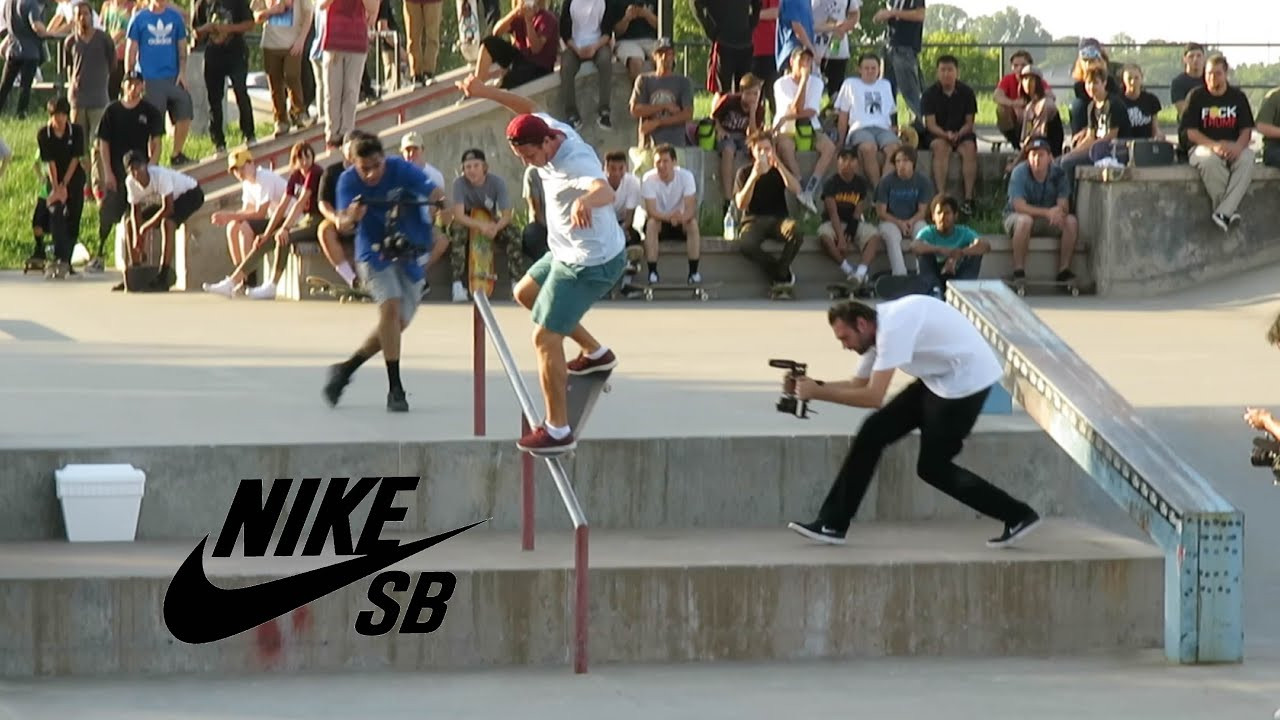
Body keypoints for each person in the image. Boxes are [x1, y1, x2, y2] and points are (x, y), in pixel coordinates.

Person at [456, 74, 626, 454]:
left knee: (545, 337)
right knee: (526, 293)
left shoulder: (576, 161)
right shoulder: (546, 126)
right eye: (523, 159)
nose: (530, 163)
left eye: (532, 157)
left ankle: (558, 430)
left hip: (590, 263)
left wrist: (585, 201)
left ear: (548, 143)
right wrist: (482, 91)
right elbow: (525, 107)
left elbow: (605, 190)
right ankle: (597, 354)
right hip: (565, 252)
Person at [787, 297, 1042, 548]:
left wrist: (817, 393)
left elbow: (873, 397)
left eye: (845, 338)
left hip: (966, 385)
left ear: (861, 324)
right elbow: (858, 384)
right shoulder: (875, 333)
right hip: (938, 380)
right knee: (872, 432)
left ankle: (1017, 515)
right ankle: (832, 524)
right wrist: (810, 386)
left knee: (933, 468)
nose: (844, 346)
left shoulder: (893, 330)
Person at [324, 135, 447, 412]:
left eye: (376, 166)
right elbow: (342, 223)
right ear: (353, 164)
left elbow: (433, 192)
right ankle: (395, 388)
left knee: (395, 326)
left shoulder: (400, 169)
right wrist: (352, 216)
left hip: (409, 251)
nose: (371, 174)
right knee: (389, 308)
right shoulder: (347, 181)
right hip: (374, 254)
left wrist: (443, 204)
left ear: (384, 158)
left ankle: (347, 368)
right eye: (364, 168)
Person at [446, 147, 524, 302]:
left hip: (491, 221)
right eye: (468, 167)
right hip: (468, 222)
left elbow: (506, 215)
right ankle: (457, 285)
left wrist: (496, 228)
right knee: (458, 230)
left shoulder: (497, 183)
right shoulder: (459, 184)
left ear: (484, 167)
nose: (472, 171)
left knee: (514, 232)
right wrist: (480, 226)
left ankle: (517, 283)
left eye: (476, 166)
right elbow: (459, 215)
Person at [121, 149, 205, 289]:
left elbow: (168, 209)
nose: (137, 173)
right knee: (130, 222)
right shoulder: (130, 182)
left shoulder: (160, 175)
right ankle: (136, 271)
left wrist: (145, 227)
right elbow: (135, 211)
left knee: (168, 223)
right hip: (166, 202)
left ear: (146, 166)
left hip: (191, 194)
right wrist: (137, 236)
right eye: (132, 170)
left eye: (139, 167)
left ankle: (163, 275)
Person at [36, 96, 88, 279]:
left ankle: (67, 260)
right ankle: (60, 257)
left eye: (62, 115)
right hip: (54, 179)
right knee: (56, 212)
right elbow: (50, 162)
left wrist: (65, 184)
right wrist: (57, 187)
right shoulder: (44, 134)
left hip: (74, 178)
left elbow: (75, 159)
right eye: (55, 116)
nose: (59, 120)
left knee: (74, 217)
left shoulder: (77, 131)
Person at [909, 193, 988, 296]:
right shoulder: (928, 232)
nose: (942, 217)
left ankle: (962, 291)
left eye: (947, 213)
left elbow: (985, 246)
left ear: (955, 215)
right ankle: (935, 292)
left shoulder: (964, 232)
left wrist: (959, 254)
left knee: (975, 253)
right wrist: (940, 249)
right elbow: (914, 246)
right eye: (939, 213)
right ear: (933, 216)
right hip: (935, 275)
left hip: (958, 274)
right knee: (923, 254)